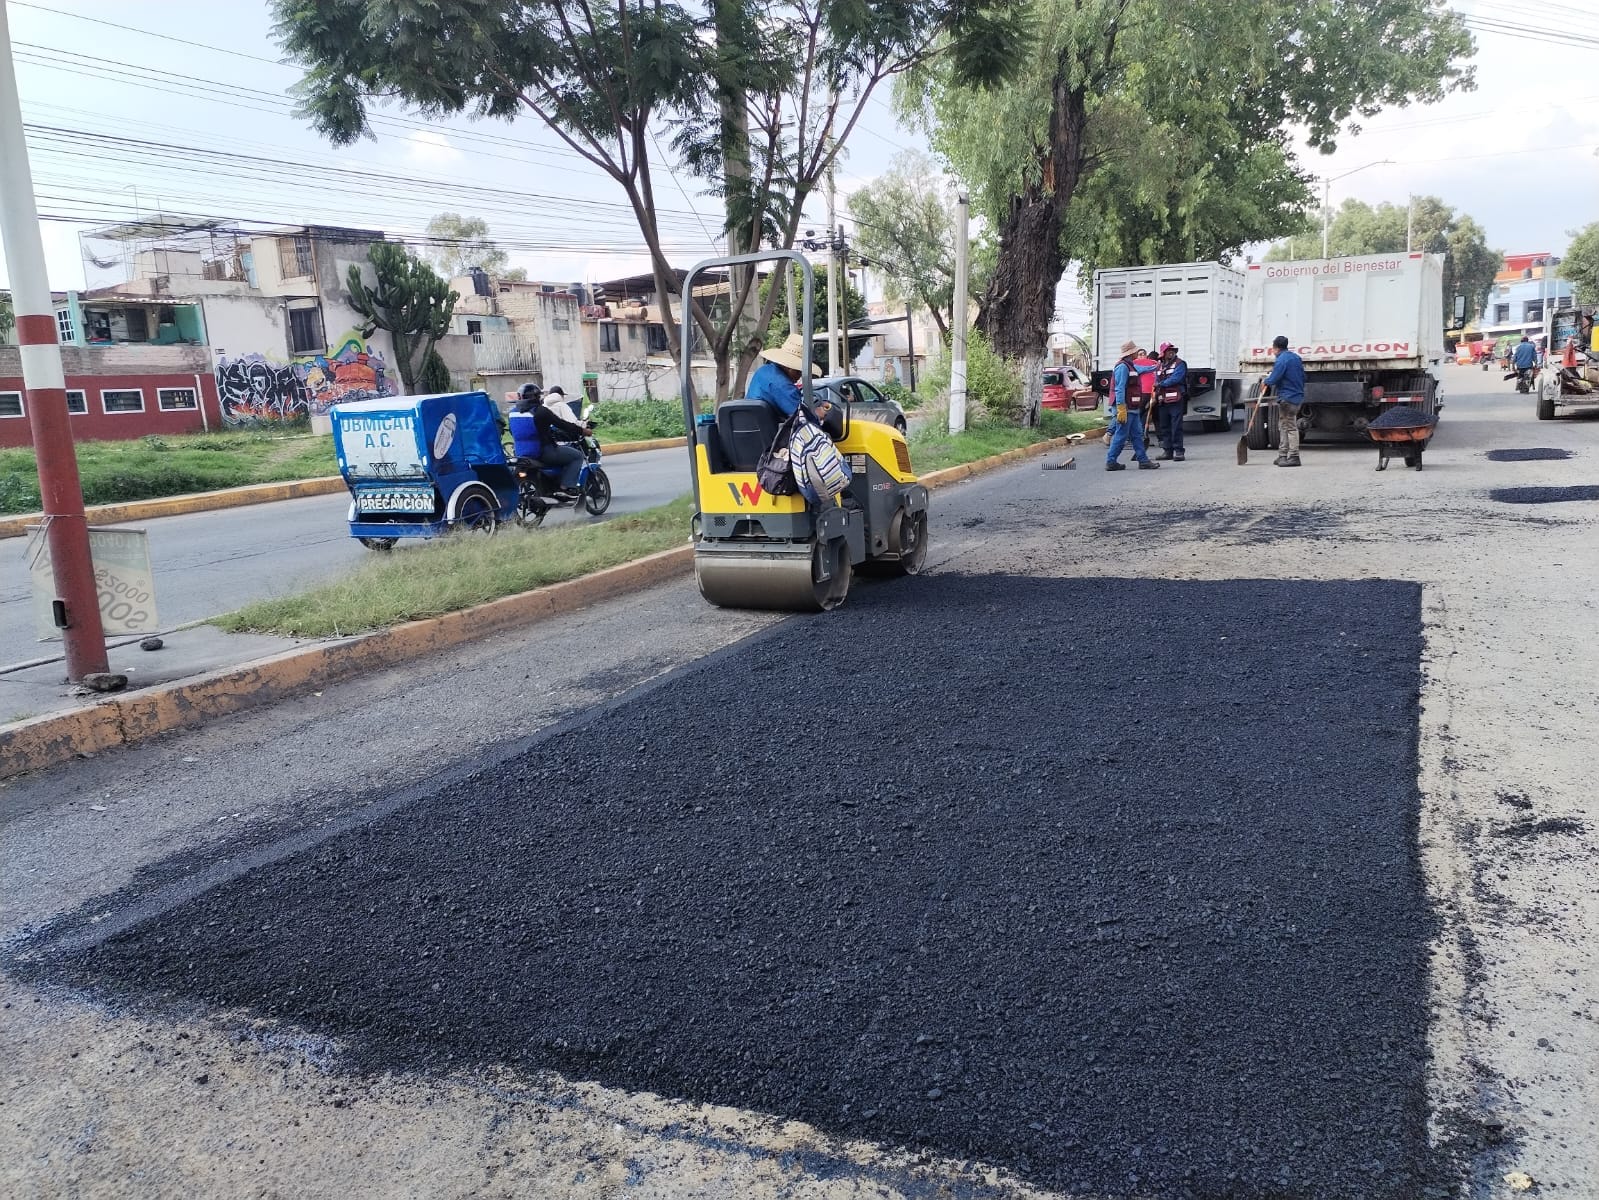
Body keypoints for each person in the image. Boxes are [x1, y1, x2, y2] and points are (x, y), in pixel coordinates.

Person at [508, 383, 590, 496]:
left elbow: (513, 432)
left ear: (520, 397)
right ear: (537, 397)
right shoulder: (541, 411)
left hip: (520, 453)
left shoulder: (512, 413)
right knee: (577, 456)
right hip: (543, 453)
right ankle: (565, 488)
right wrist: (582, 431)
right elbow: (562, 424)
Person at [1105, 339, 1159, 471]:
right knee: (1121, 435)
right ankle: (1111, 461)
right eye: (1135, 352)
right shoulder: (1122, 367)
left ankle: (1143, 460)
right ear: (1131, 353)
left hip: (1132, 407)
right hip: (1125, 407)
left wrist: (1156, 366)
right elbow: (1120, 388)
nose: (1137, 354)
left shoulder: (1131, 366)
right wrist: (1121, 407)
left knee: (1137, 434)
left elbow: (1145, 369)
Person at [748, 332, 822, 418]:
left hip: (750, 424)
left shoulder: (763, 371)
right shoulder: (784, 386)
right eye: (798, 371)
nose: (800, 376)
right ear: (788, 367)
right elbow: (802, 417)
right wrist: (818, 413)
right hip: (771, 429)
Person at [1262, 334, 1305, 467]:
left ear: (1276, 348)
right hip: (1297, 397)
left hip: (1287, 398)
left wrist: (1265, 381)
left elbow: (1274, 378)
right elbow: (1304, 376)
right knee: (1284, 426)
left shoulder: (1281, 360)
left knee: (1290, 427)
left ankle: (1294, 456)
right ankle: (1282, 455)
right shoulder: (1296, 358)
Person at [1152, 342, 1188, 462]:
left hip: (1175, 400)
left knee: (1176, 426)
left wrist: (1161, 384)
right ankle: (1167, 451)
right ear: (1163, 353)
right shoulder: (1159, 366)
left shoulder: (1180, 364)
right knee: (1164, 426)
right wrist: (1155, 394)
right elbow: (1155, 379)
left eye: (1172, 350)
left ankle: (1179, 452)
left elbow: (1176, 378)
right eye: (1168, 350)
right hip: (1162, 401)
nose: (1171, 352)